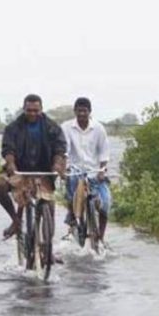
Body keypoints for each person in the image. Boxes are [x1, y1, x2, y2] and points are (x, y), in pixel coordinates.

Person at [0, 94, 67, 240]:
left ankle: (48, 250)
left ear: (41, 110)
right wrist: (11, 163)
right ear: (24, 109)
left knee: (49, 208)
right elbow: (8, 149)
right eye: (29, 110)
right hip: (20, 170)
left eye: (36, 110)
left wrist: (57, 164)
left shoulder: (52, 127)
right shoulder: (13, 127)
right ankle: (15, 220)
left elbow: (60, 147)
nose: (32, 113)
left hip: (44, 172)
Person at [61, 97, 112, 244]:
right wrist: (65, 167)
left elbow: (104, 152)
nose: (82, 114)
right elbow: (65, 150)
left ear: (90, 112)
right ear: (75, 111)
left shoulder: (99, 128)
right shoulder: (66, 127)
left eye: (85, 111)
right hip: (75, 169)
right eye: (79, 111)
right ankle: (74, 216)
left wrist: (102, 171)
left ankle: (101, 237)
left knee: (106, 202)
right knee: (72, 183)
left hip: (94, 171)